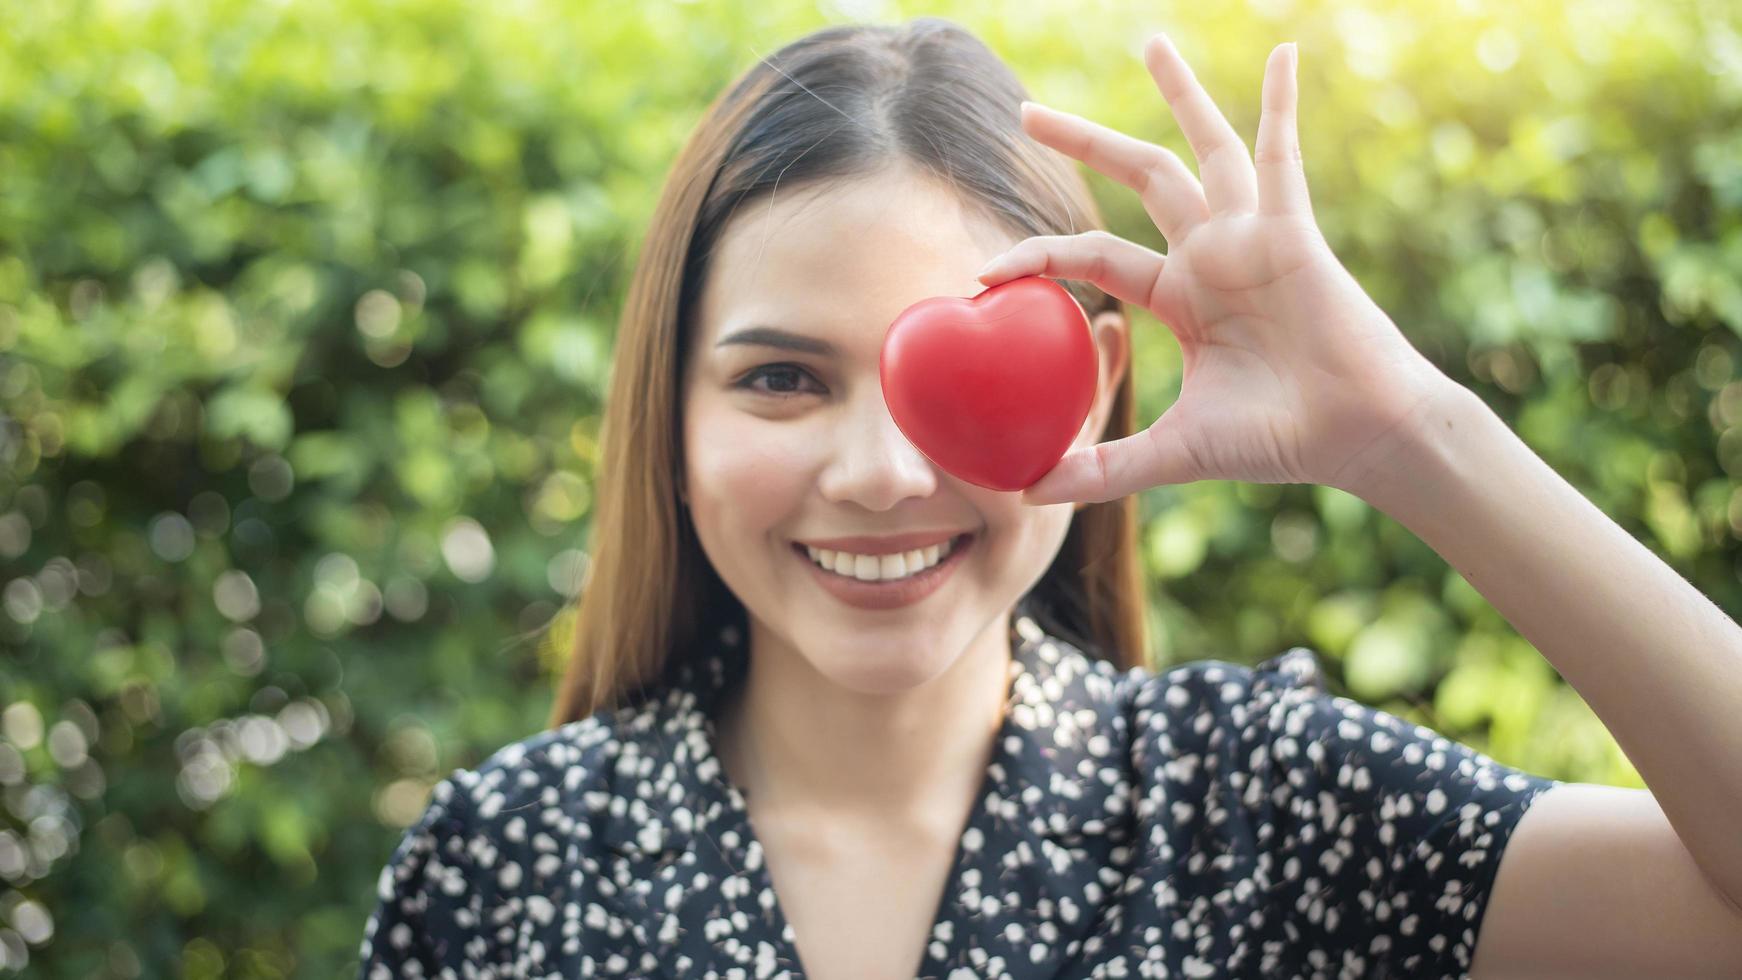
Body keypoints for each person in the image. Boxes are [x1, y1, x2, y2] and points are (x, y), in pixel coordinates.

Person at [357, 17, 1742, 979]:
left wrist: (1403, 428)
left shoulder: (1258, 810)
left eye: (951, 384)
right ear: (668, 413)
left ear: (1090, 382)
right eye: (780, 379)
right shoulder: (501, 868)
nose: (882, 472)